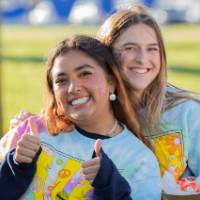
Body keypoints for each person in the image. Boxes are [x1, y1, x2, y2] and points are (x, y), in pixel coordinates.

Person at [0, 35, 161, 199]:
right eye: (61, 80)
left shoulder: (139, 160)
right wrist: (16, 168)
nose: (73, 88)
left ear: (111, 82)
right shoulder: (31, 131)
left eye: (85, 73)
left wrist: (110, 187)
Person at [96, 4, 200, 193]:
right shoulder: (93, 114)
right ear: (107, 55)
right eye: (130, 48)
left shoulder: (187, 112)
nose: (142, 59)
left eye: (152, 49)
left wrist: (173, 189)